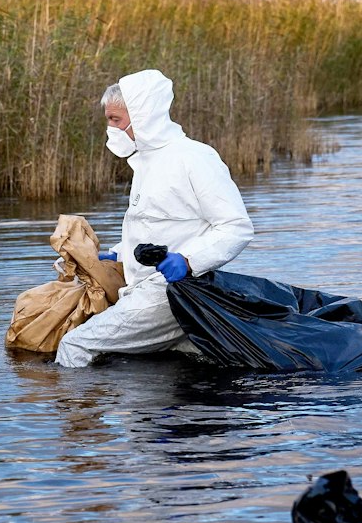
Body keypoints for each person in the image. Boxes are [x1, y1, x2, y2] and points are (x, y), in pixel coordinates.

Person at [54, 69, 254, 368]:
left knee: (75, 344)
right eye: (108, 120)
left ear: (143, 115)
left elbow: (236, 227)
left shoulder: (195, 158)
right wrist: (115, 254)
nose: (110, 128)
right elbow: (155, 227)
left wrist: (187, 260)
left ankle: (76, 411)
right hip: (145, 289)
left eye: (116, 120)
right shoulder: (145, 162)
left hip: (170, 291)